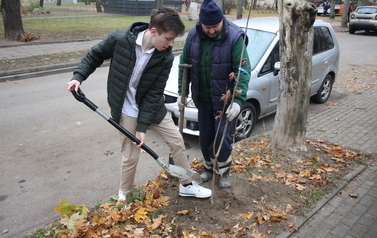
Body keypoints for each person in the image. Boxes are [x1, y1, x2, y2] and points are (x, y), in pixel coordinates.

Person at [67, 7, 212, 200]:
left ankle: (186, 185)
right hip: (125, 108)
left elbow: (154, 93)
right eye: (168, 39)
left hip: (152, 108)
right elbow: (95, 55)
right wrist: (78, 77)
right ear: (153, 32)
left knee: (177, 141)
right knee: (131, 155)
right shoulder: (119, 40)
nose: (170, 44)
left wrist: (142, 127)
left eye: (173, 40)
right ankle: (124, 196)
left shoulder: (165, 57)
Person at [177, 0, 251, 189]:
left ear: (222, 21)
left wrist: (238, 100)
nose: (211, 31)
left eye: (214, 27)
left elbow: (243, 71)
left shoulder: (235, 37)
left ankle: (224, 171)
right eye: (207, 27)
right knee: (206, 136)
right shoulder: (193, 35)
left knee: (222, 139)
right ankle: (209, 167)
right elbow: (184, 66)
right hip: (202, 98)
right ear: (201, 23)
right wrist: (182, 93)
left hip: (225, 101)